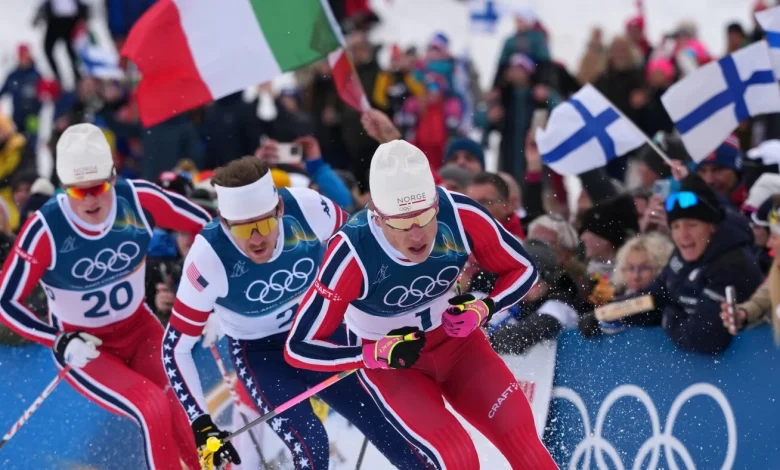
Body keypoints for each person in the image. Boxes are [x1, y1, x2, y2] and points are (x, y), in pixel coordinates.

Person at [285, 140, 557, 469]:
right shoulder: (351, 252)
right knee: (458, 459)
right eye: (400, 222)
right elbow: (299, 346)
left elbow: (523, 268)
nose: (417, 234)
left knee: (523, 441)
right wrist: (370, 355)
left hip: (459, 347)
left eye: (425, 216)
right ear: (377, 213)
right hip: (396, 368)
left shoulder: (459, 214)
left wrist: (485, 308)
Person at [165, 156, 428, 469]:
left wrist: (385, 313)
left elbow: (364, 251)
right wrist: (201, 422)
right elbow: (175, 348)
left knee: (383, 421)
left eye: (264, 224)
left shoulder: (308, 208)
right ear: (223, 222)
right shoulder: (207, 257)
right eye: (243, 229)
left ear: (279, 210)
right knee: (311, 441)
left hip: (319, 330)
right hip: (260, 353)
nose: (256, 238)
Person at [0, 123, 210, 470]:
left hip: (141, 329)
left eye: (99, 186)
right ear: (64, 189)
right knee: (151, 407)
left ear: (113, 175)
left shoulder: (139, 200)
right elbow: (7, 301)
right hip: (89, 348)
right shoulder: (46, 228)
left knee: (183, 403)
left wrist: (211, 302)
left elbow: (208, 227)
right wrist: (60, 340)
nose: (92, 199)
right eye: (79, 192)